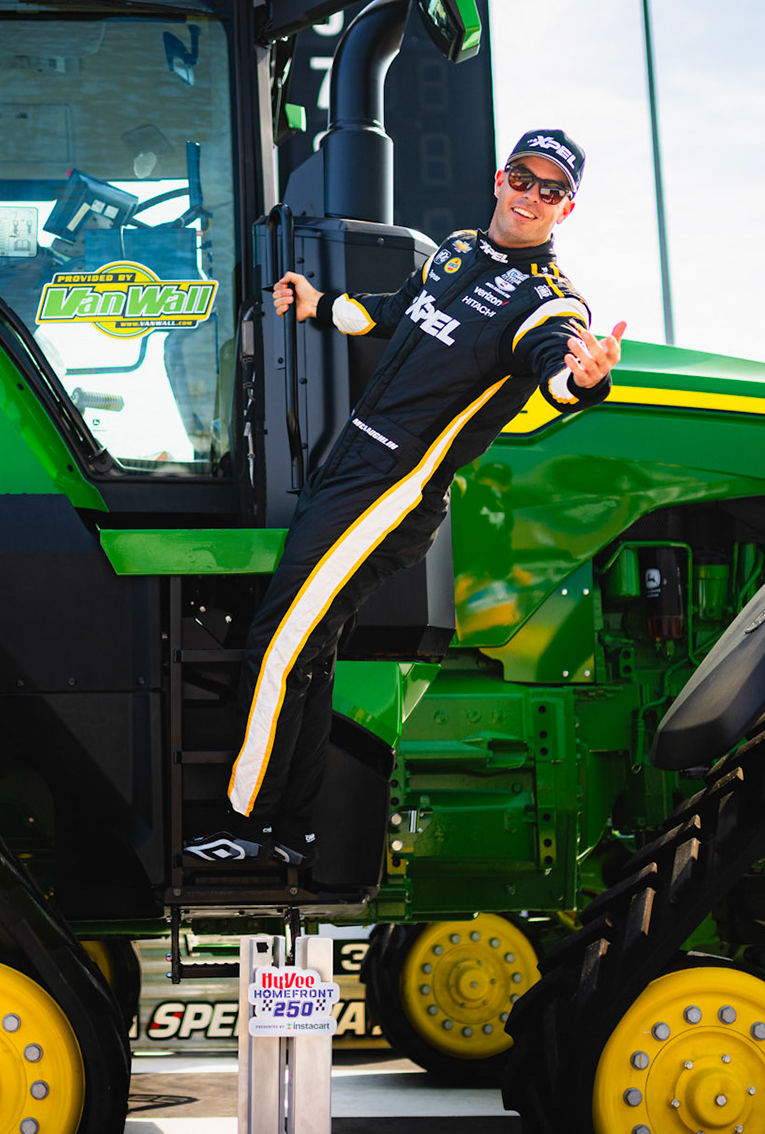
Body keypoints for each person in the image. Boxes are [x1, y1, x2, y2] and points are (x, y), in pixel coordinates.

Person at [183, 129, 626, 867]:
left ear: (566, 210)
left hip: (396, 490)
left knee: (279, 643)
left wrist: (585, 378)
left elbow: (557, 371)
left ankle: (241, 823)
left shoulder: (549, 302)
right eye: (524, 177)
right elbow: (391, 316)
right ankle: (291, 833)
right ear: (499, 178)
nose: (532, 196)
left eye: (552, 191)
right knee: (312, 652)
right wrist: (318, 303)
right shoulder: (453, 251)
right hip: (353, 464)